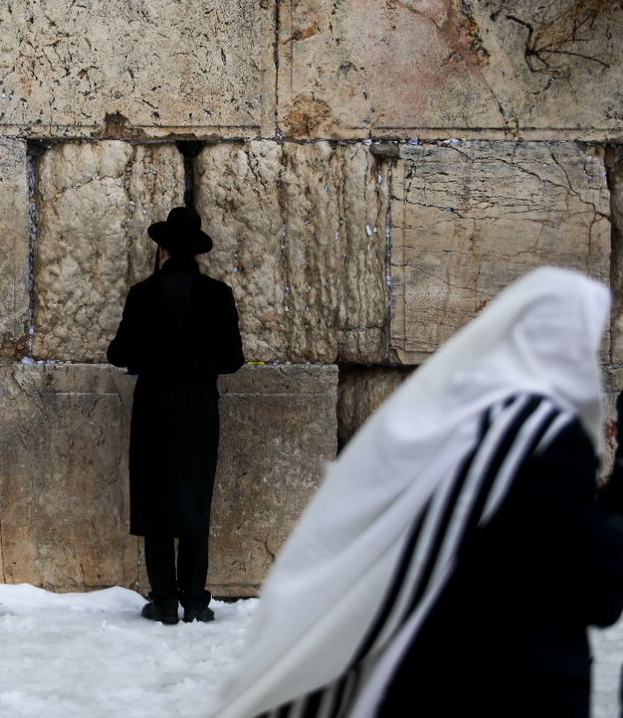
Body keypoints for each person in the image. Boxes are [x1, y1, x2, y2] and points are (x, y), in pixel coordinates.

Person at [212, 267, 623, 717]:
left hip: (431, 668)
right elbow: (597, 590)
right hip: (516, 678)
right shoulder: (546, 436)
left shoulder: (458, 416)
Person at [107, 206, 243, 625]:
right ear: (196, 252)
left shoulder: (143, 294)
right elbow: (233, 360)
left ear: (162, 248)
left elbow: (118, 353)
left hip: (154, 406)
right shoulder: (217, 295)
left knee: (156, 499)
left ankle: (165, 600)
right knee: (194, 496)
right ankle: (196, 602)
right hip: (199, 407)